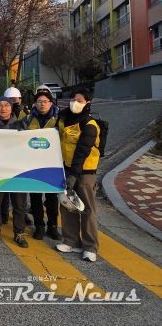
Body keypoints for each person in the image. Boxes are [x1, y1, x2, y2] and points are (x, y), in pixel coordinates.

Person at [56, 88, 101, 262]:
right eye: (73, 99)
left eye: (80, 101)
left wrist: (74, 174)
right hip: (66, 169)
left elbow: (82, 151)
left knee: (87, 209)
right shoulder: (63, 119)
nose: (75, 103)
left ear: (88, 103)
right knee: (68, 205)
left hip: (85, 172)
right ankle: (70, 241)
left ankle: (90, 247)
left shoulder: (90, 124)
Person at [0, 96, 29, 248]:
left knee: (19, 204)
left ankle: (19, 232)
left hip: (18, 171)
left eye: (6, 105)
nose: (3, 108)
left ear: (11, 108)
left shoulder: (21, 125)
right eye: (0, 105)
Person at [20, 90, 61, 240]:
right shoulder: (28, 119)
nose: (42, 104)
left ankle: (53, 226)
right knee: (35, 197)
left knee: (52, 198)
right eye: (39, 102)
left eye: (45, 102)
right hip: (33, 165)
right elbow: (19, 138)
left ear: (51, 103)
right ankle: (39, 226)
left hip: (52, 165)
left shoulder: (59, 119)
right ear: (35, 104)